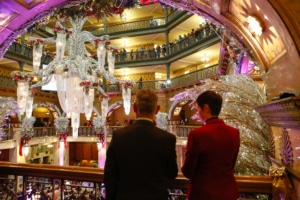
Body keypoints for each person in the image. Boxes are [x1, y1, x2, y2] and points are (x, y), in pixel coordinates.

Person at [104, 89, 178, 200]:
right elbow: (172, 173)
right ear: (157, 109)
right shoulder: (167, 139)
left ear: (134, 107)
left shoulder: (118, 136)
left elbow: (109, 176)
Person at [181, 90, 240, 200]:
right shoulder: (234, 132)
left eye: (198, 108)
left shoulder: (197, 134)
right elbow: (232, 164)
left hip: (203, 194)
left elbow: (188, 171)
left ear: (206, 108)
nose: (197, 113)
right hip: (229, 193)